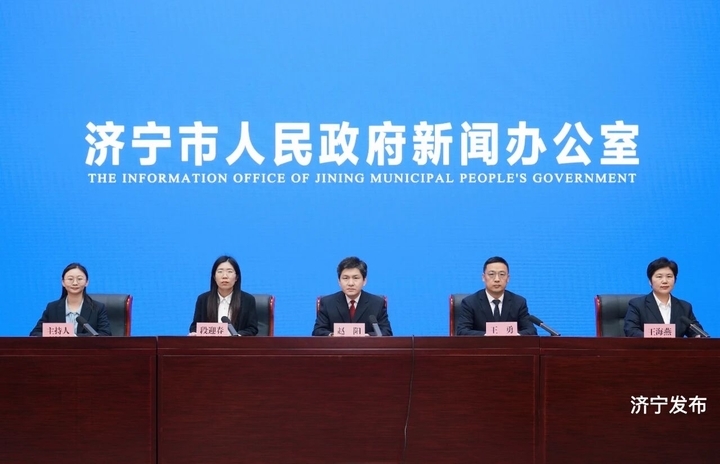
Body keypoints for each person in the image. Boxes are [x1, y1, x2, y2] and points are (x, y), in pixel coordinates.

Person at [455, 256, 537, 336]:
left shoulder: (518, 302)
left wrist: (514, 336)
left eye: (502, 274)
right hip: (482, 345)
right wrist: (488, 336)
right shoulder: (470, 302)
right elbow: (462, 331)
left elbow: (531, 331)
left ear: (508, 278)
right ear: (483, 277)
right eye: (491, 274)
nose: (497, 279)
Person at [624, 257, 705, 337]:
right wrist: (654, 338)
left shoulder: (684, 307)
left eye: (669, 276)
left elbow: (696, 331)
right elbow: (631, 331)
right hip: (648, 346)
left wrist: (698, 336)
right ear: (650, 281)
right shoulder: (637, 305)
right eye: (659, 276)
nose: (665, 281)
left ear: (675, 280)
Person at [312, 256, 392, 336]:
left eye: (355, 278)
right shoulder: (327, 303)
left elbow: (386, 332)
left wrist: (367, 336)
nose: (350, 283)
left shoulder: (377, 303)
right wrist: (333, 335)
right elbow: (318, 331)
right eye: (345, 278)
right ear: (339, 281)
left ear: (364, 281)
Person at [30, 263, 112, 336]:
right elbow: (35, 334)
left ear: (87, 282)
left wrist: (75, 337)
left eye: (79, 279)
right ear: (63, 282)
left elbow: (105, 335)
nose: (75, 283)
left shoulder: (97, 308)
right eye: (70, 279)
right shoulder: (52, 308)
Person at [189, 255, 258, 336]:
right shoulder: (203, 299)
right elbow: (195, 326)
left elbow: (252, 328)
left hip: (236, 343)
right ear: (214, 277)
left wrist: (237, 336)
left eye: (229, 271)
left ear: (236, 277)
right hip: (210, 343)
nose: (224, 276)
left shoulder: (247, 300)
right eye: (220, 271)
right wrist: (194, 333)